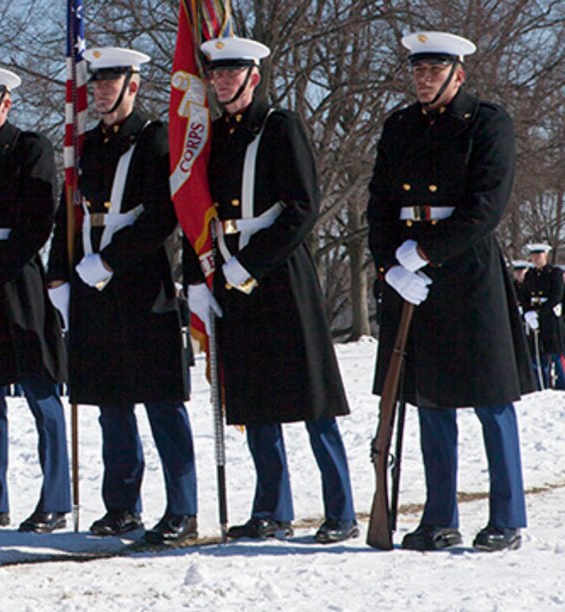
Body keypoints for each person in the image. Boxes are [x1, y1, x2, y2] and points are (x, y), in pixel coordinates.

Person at [185, 37, 357, 544]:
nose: (221, 83)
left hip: (281, 275)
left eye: (230, 74)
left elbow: (303, 207)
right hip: (229, 273)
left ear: (253, 76)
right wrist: (199, 277)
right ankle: (271, 509)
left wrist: (251, 263)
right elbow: (195, 213)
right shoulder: (213, 136)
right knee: (254, 397)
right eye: (215, 75)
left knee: (313, 398)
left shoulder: (280, 127)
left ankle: (341, 510)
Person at [367, 31, 533, 552]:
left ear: (458, 74)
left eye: (433, 71)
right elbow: (378, 201)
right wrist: (389, 263)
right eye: (417, 71)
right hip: (410, 272)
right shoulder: (399, 125)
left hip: (468, 271)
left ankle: (506, 517)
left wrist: (423, 253)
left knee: (491, 400)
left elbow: (486, 204)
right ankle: (439, 517)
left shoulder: (487, 122)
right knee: (429, 399)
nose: (422, 80)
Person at [47, 47, 198, 545]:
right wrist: (59, 276)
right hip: (91, 287)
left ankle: (182, 508)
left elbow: (164, 215)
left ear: (133, 86)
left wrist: (111, 260)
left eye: (111, 85)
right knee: (111, 403)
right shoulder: (85, 145)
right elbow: (66, 214)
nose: (101, 93)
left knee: (161, 401)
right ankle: (122, 506)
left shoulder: (155, 140)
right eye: (96, 86)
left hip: (140, 284)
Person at [0, 64, 72, 534]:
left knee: (41, 391)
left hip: (17, 279)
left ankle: (56, 499)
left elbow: (38, 221)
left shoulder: (30, 148)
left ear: (8, 102)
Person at [519, 243, 565, 389]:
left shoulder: (554, 273)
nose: (536, 259)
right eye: (533, 256)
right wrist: (527, 312)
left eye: (539, 256)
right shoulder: (530, 275)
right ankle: (541, 384)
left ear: (545, 256)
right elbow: (524, 296)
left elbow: (556, 296)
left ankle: (561, 384)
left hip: (549, 317)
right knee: (538, 353)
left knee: (556, 352)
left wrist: (539, 313)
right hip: (534, 317)